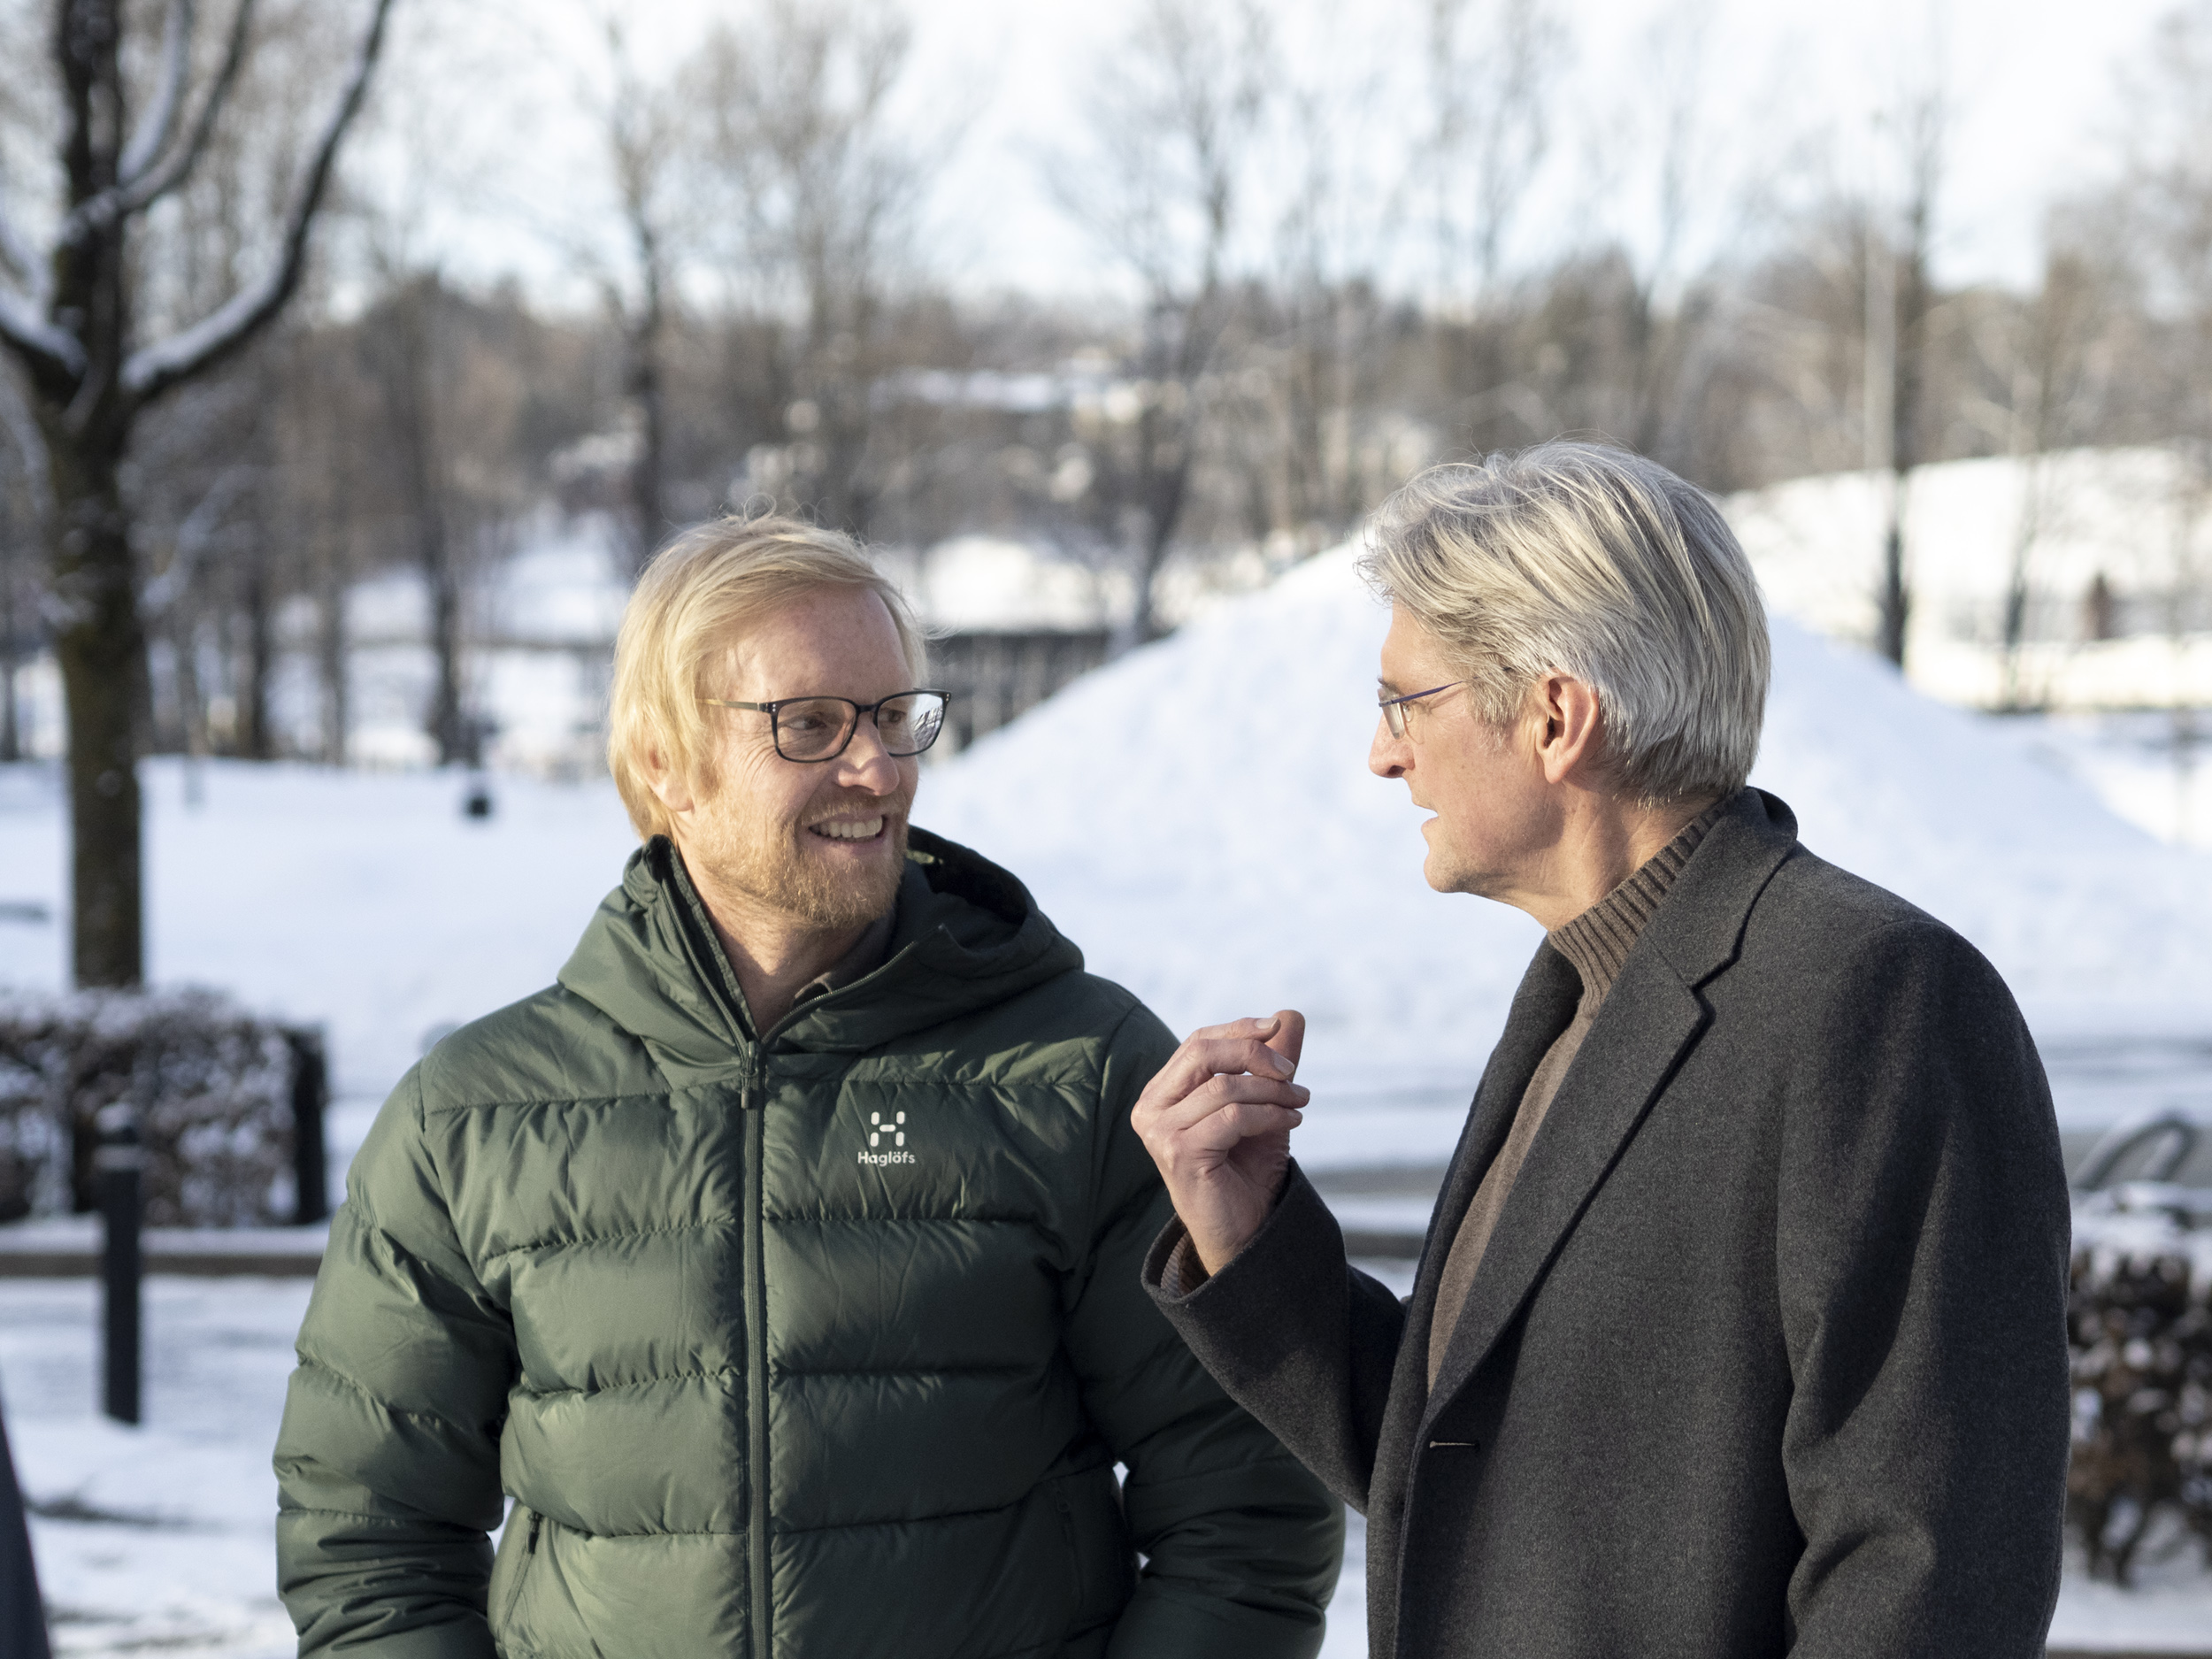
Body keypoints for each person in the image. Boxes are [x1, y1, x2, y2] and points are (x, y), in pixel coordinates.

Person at [273, 516, 1340, 1657]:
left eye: (895, 717)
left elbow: (1247, 1515)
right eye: (812, 724)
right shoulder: (470, 1118)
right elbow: (366, 1540)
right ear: (664, 764)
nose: (878, 768)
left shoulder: (1076, 1074)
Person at [1132, 442, 2072, 1659]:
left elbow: (1929, 1567)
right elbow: (1483, 1476)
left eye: (1405, 702)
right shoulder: (1577, 997)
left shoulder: (1876, 998)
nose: (1382, 754)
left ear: (1557, 716)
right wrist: (1249, 1239)